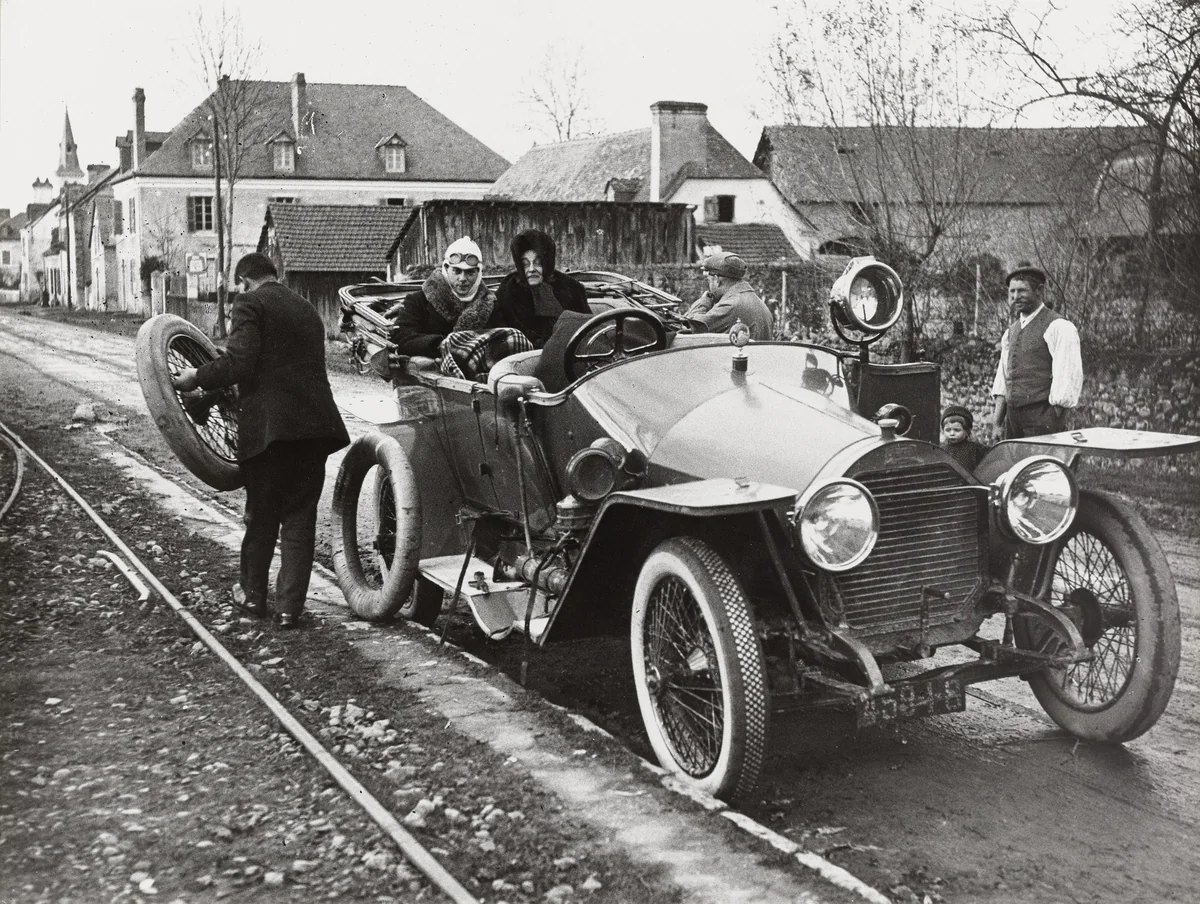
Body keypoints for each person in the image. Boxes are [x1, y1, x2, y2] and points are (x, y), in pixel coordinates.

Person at [172, 253, 350, 629]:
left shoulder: (249, 302)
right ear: (275, 275)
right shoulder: (306, 308)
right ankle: (289, 610)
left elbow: (239, 363)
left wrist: (196, 377)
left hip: (271, 433)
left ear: (243, 281)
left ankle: (253, 597)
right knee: (300, 520)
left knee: (262, 517)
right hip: (315, 430)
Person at [389, 237, 532, 380]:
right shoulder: (419, 299)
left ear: (479, 272)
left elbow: (499, 341)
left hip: (476, 379)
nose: (463, 278)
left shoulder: (490, 305)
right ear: (446, 268)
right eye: (456, 271)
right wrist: (440, 345)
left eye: (470, 272)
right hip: (430, 379)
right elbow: (401, 337)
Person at [990, 261, 1083, 439]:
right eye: (1012, 291)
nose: (1015, 297)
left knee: (1041, 465)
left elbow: (1067, 376)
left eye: (1022, 291)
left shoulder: (1059, 327)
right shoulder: (1010, 332)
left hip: (1042, 418)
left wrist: (1052, 416)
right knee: (1015, 466)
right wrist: (997, 423)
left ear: (1039, 291)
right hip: (1013, 418)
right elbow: (1002, 380)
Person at [495, 229, 592, 348]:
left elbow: (588, 329)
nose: (531, 269)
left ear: (547, 262)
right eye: (525, 264)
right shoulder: (509, 292)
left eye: (538, 263)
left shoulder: (572, 288)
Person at [684, 252, 773, 340]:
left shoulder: (730, 305)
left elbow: (693, 326)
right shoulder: (757, 301)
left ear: (716, 280)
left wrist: (703, 302)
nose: (709, 286)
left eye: (709, 281)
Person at [940, 405, 987, 470]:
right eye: (948, 430)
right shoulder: (942, 451)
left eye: (957, 430)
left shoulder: (975, 449)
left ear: (967, 431)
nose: (952, 433)